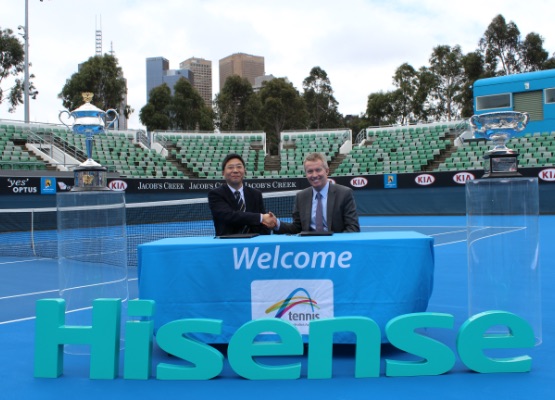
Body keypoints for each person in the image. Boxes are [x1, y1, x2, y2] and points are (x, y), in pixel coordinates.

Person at [272, 152, 360, 234]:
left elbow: (353, 228)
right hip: (310, 248)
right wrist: (277, 223)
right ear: (306, 174)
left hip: (335, 248)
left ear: (327, 171)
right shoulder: (301, 196)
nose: (314, 175)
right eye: (310, 171)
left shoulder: (344, 194)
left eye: (318, 170)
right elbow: (297, 228)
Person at [208, 153, 276, 236]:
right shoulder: (215, 194)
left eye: (239, 167)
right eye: (230, 167)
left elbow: (264, 226)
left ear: (244, 171)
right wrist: (261, 218)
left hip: (254, 244)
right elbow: (229, 216)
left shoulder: (256, 194)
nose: (235, 170)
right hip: (228, 244)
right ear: (223, 173)